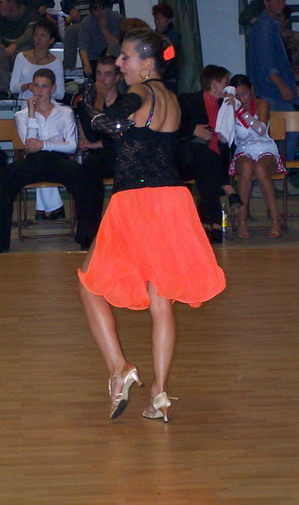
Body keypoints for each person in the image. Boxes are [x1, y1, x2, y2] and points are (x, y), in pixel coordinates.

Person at [79, 28, 225, 422]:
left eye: (125, 57)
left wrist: (90, 100)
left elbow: (107, 123)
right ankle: (158, 392)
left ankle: (118, 368)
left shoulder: (141, 92)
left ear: (146, 62)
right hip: (171, 201)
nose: (118, 63)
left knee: (89, 283)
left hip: (135, 201)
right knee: (161, 302)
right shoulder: (172, 99)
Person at [0, 68, 98, 253]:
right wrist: (31, 112)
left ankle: (86, 236)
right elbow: (30, 145)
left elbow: (71, 146)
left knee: (79, 173)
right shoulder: (21, 115)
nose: (39, 90)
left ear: (53, 89)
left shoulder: (65, 112)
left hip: (58, 159)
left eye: (44, 86)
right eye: (36, 86)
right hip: (33, 160)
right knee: (7, 174)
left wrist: (44, 144)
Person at [177, 65, 243, 243]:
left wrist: (234, 108)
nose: (228, 87)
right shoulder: (187, 100)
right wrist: (193, 129)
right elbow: (172, 126)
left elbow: (238, 132)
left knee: (205, 168)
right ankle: (228, 189)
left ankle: (215, 226)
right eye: (225, 82)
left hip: (211, 164)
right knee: (201, 153)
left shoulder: (226, 105)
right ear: (215, 84)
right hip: (187, 159)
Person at [9, 18, 66, 218]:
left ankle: (44, 209)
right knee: (35, 153)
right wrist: (29, 86)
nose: (38, 39)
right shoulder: (21, 57)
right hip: (26, 112)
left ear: (51, 39)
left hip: (48, 112)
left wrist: (44, 91)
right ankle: (53, 207)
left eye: (43, 35)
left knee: (40, 155)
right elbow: (13, 87)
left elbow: (60, 92)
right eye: (36, 35)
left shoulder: (56, 62)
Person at [246, 0, 299, 182]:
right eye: (277, 0)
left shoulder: (271, 25)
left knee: (280, 134)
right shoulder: (264, 27)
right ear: (266, 3)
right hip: (271, 90)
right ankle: (275, 177)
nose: (281, 4)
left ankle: (275, 177)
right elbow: (267, 64)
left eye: (282, 0)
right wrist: (282, 86)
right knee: (287, 130)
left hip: (272, 89)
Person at [227, 74, 285, 239]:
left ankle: (276, 220)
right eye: (237, 96)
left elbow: (260, 130)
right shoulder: (230, 109)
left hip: (265, 148)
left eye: (245, 94)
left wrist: (240, 110)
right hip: (243, 150)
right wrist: (227, 110)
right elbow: (225, 137)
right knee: (246, 167)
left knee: (260, 169)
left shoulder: (262, 104)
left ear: (252, 90)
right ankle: (242, 219)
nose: (242, 99)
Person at [77, 56, 121, 218]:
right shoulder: (86, 105)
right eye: (98, 73)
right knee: (89, 166)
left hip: (120, 154)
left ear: (117, 78)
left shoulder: (126, 103)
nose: (101, 79)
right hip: (99, 158)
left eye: (107, 74)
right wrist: (100, 99)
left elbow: (121, 137)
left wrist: (96, 144)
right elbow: (92, 135)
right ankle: (91, 225)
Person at [0, 0, 41, 94]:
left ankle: (22, 89)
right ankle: (5, 90)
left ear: (11, 2)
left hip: (24, 55)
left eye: (0, 2)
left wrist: (14, 45)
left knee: (24, 50)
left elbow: (31, 34)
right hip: (6, 56)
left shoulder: (32, 14)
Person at [78, 0, 123, 78]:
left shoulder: (117, 19)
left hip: (112, 58)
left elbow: (117, 46)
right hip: (93, 59)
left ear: (108, 8)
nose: (99, 13)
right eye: (95, 10)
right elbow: (83, 47)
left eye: (102, 9)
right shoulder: (86, 22)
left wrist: (103, 29)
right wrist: (87, 65)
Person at [152, 4, 182, 92]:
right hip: (155, 78)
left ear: (169, 19)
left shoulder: (174, 35)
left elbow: (169, 55)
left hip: (169, 79)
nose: (157, 22)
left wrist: (161, 35)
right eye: (155, 19)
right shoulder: (152, 35)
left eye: (160, 18)